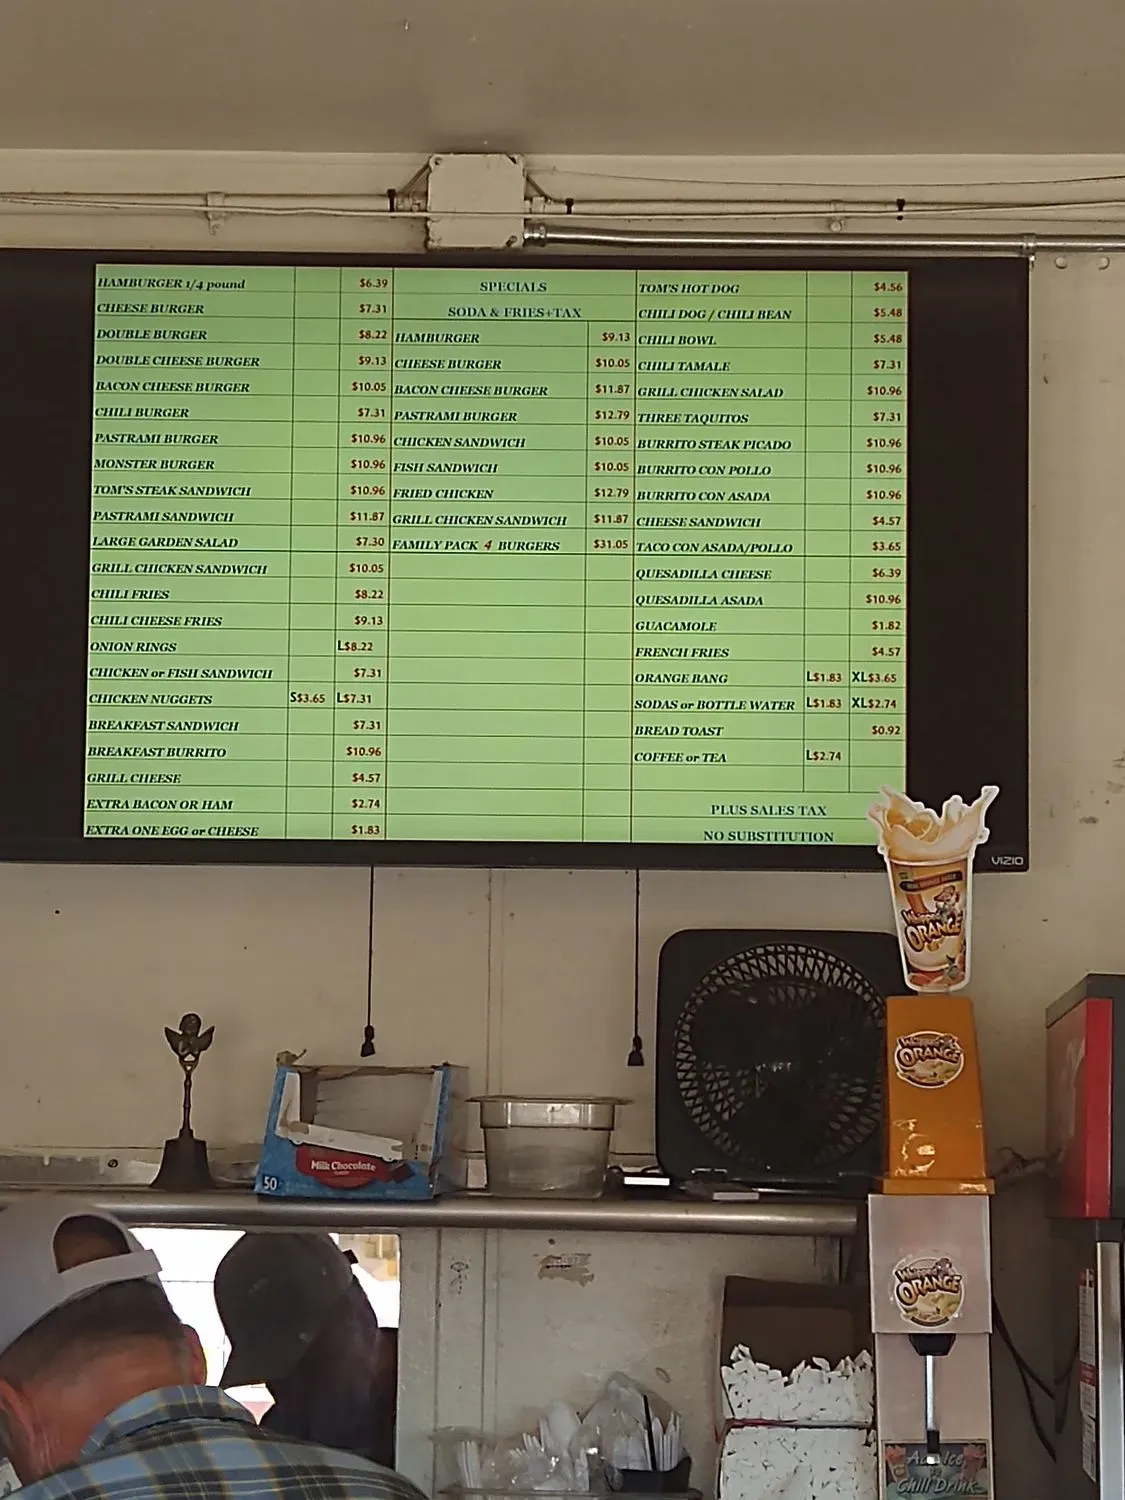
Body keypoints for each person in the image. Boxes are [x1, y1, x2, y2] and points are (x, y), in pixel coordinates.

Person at [0, 1196, 423, 1500]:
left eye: (301, 1368)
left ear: (8, 1410)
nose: (290, 1392)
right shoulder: (388, 1491)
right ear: (195, 1356)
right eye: (276, 1377)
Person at [214, 1232, 396, 1465]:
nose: (289, 1390)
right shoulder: (283, 1432)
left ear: (359, 1313)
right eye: (271, 1372)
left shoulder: (436, 1399)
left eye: (304, 1363)